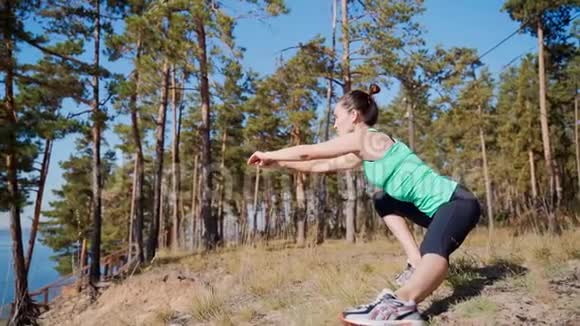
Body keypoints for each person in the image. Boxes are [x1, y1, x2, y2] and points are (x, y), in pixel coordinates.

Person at [247, 84, 481, 324]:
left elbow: (310, 153)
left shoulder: (368, 138)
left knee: (434, 250)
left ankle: (404, 303)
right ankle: (415, 261)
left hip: (456, 203)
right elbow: (319, 165)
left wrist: (270, 153)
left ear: (354, 115)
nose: (335, 124)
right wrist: (279, 164)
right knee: (383, 199)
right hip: (433, 211)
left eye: (337, 117)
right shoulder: (365, 149)